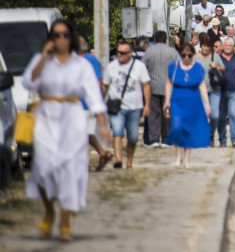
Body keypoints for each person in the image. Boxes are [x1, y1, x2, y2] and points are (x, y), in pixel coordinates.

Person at [23, 20, 112, 242]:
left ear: (70, 38)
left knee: (70, 170)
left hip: (72, 118)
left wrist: (102, 125)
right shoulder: (42, 61)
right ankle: (49, 209)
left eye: (64, 35)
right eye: (56, 35)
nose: (60, 39)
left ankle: (64, 217)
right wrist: (43, 57)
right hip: (46, 117)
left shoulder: (81, 65)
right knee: (44, 168)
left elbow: (94, 95)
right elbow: (28, 82)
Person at [103, 39, 152, 169]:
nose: (120, 55)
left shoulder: (139, 67)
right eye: (118, 52)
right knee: (117, 132)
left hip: (135, 106)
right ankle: (118, 159)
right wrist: (102, 101)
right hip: (117, 106)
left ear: (130, 53)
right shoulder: (111, 66)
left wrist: (147, 105)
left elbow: (146, 85)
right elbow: (105, 86)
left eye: (123, 53)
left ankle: (129, 161)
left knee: (133, 137)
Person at [165, 43, 212, 168]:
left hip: (193, 102)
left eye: (189, 55)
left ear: (192, 55)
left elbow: (201, 85)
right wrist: (167, 100)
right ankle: (178, 157)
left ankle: (186, 159)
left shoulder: (197, 67)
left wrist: (207, 103)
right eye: (184, 55)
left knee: (188, 129)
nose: (186, 57)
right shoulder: (174, 67)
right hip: (177, 101)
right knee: (176, 128)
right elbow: (169, 83)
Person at [76, 37, 112, 171]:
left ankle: (83, 164)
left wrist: (98, 100)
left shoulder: (91, 61)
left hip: (86, 104)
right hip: (75, 103)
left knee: (82, 135)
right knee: (83, 133)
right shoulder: (72, 60)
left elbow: (99, 82)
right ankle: (103, 152)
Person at [142, 31, 180, 146]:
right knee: (167, 113)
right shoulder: (172, 52)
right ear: (166, 40)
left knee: (153, 114)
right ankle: (166, 138)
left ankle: (153, 139)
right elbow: (179, 67)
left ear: (155, 40)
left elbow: (143, 68)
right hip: (168, 87)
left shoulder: (149, 52)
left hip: (153, 86)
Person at [195, 33, 225, 144]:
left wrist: (216, 66)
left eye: (208, 46)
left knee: (214, 115)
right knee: (203, 114)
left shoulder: (214, 56)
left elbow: (223, 68)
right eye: (204, 45)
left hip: (214, 89)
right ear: (201, 45)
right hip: (200, 91)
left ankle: (211, 133)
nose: (206, 48)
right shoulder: (195, 58)